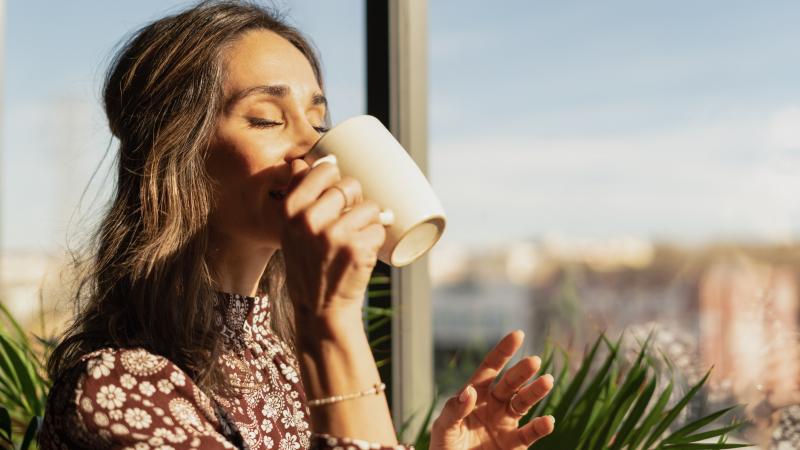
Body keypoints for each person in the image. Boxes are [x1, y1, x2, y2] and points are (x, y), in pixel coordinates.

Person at [38, 2, 556, 449]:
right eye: (266, 118)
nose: (313, 145)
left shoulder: (280, 354)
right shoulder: (118, 389)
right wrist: (331, 318)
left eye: (318, 119)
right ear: (176, 154)